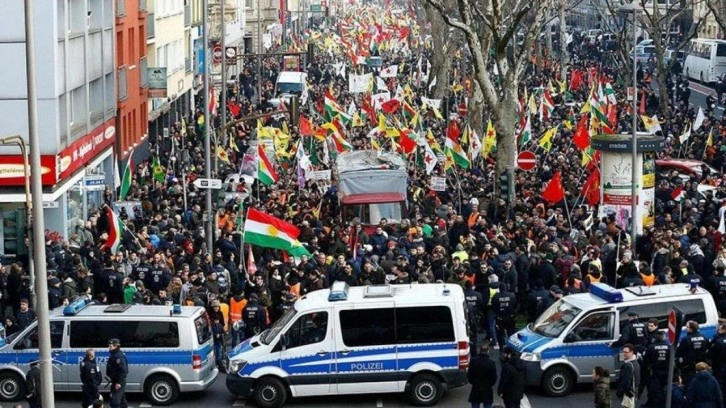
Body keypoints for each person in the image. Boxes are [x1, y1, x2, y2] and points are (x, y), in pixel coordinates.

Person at [643, 330, 669, 407]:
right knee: (666, 389)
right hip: (668, 371)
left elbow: (646, 361)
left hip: (655, 372)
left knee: (655, 390)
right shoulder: (670, 347)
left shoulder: (651, 348)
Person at [467, 343, 497, 408]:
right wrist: (490, 384)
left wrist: (473, 382)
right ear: (488, 351)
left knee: (475, 404)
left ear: (479, 350)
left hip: (476, 387)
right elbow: (494, 377)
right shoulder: (491, 363)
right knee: (487, 404)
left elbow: (469, 375)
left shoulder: (473, 361)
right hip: (487, 388)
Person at [106, 338, 129, 408]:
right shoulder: (115, 354)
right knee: (122, 401)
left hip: (118, 381)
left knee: (114, 401)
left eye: (110, 346)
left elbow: (122, 370)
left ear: (116, 346)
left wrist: (118, 382)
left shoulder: (118, 356)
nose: (109, 347)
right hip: (115, 380)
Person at [616, 344, 640, 408]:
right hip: (634, 392)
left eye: (626, 352)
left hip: (628, 395)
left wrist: (620, 392)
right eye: (623, 352)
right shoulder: (636, 363)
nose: (624, 354)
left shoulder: (628, 366)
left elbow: (626, 382)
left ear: (632, 352)